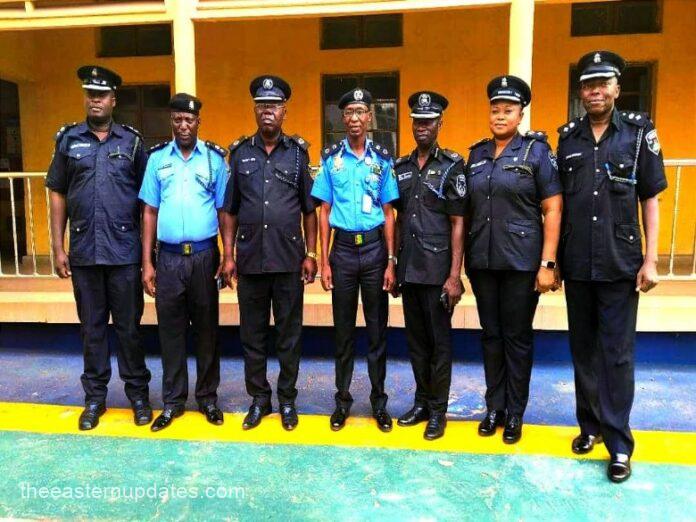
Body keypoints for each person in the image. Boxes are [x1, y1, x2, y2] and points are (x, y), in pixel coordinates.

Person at [557, 51, 666, 482]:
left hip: (621, 263)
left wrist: (652, 259)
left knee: (616, 356)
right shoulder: (568, 139)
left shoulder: (639, 136)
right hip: (578, 263)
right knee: (582, 351)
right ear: (581, 92)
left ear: (617, 88)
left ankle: (619, 443)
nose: (595, 91)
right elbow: (560, 204)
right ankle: (590, 427)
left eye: (603, 83)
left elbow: (651, 199)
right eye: (587, 85)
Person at [46, 65, 152, 431]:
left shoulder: (132, 142)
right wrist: (57, 246)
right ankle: (95, 399)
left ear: (113, 100)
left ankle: (138, 395)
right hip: (85, 253)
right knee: (92, 329)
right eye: (90, 93)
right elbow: (57, 192)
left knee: (128, 329)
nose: (96, 99)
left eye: (102, 94)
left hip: (124, 253)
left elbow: (146, 200)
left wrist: (146, 256)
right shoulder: (68, 140)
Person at [466, 75, 562, 444]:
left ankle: (516, 413)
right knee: (491, 336)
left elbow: (553, 207)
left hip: (522, 263)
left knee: (516, 338)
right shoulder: (475, 155)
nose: (500, 116)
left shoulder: (536, 153)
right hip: (484, 262)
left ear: (520, 114)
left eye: (508, 110)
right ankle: (495, 408)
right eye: (495, 109)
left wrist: (547, 263)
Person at [220, 75, 317, 431]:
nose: (267, 112)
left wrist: (311, 253)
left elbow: (309, 208)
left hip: (288, 260)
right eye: (262, 106)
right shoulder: (241, 153)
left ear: (284, 111)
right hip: (249, 261)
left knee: (289, 335)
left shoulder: (297, 154)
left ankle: (287, 401)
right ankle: (259, 400)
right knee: (253, 335)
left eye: (273, 106)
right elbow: (229, 209)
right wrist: (228, 256)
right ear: (255, 110)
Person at [139, 93, 229, 432]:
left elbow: (224, 212)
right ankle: (173, 401)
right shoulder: (157, 160)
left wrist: (228, 255)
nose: (183, 125)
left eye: (189, 120)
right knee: (171, 332)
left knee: (207, 331)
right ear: (171, 122)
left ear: (198, 122)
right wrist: (147, 262)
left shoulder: (214, 161)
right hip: (169, 260)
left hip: (205, 257)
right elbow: (149, 211)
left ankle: (207, 398)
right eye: (177, 119)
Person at [311, 87, 399, 433]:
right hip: (343, 251)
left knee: (378, 331)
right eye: (349, 113)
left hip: (376, 251)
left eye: (361, 112)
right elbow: (323, 211)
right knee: (343, 331)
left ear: (370, 117)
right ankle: (342, 400)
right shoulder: (331, 161)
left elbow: (390, 213)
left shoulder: (382, 160)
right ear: (342, 119)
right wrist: (323, 261)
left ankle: (379, 402)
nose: (355, 119)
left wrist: (391, 260)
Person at [392, 91, 466, 440]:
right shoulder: (401, 168)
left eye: (429, 121)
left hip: (438, 272)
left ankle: (438, 411)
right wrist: (393, 263)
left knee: (439, 345)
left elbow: (457, 223)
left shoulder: (452, 166)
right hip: (410, 269)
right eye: (417, 121)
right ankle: (422, 402)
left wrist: (454, 275)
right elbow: (397, 216)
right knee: (416, 343)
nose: (422, 127)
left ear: (439, 124)